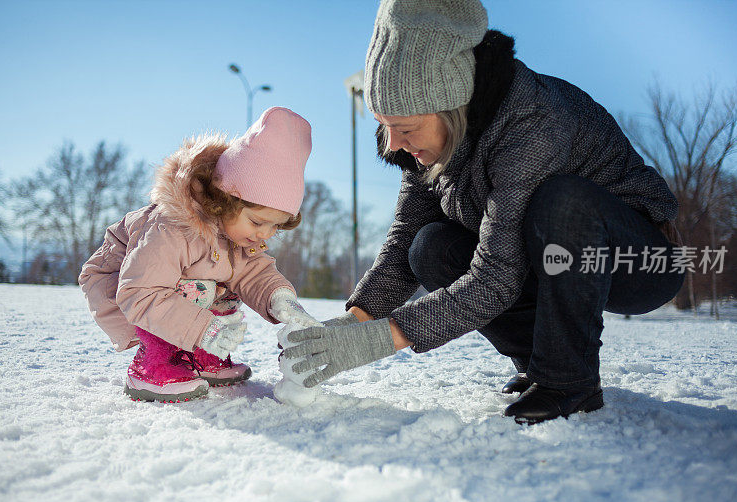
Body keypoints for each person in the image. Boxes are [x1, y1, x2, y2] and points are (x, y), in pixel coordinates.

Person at [284, 0, 685, 423]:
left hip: (637, 261)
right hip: (546, 258)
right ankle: (541, 362)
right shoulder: (428, 146)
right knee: (428, 247)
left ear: (450, 106)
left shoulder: (532, 121)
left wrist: (377, 341)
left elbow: (496, 275)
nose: (393, 143)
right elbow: (403, 243)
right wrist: (353, 322)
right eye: (385, 125)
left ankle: (568, 379)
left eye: (405, 128)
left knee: (561, 202)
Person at [80, 107, 320, 402]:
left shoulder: (236, 235)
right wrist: (204, 328)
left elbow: (254, 272)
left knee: (223, 283)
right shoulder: (171, 227)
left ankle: (204, 355)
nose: (265, 235)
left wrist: (281, 300)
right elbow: (140, 292)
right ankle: (156, 363)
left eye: (276, 226)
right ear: (225, 200)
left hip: (159, 293)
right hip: (121, 289)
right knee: (200, 287)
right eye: (258, 222)